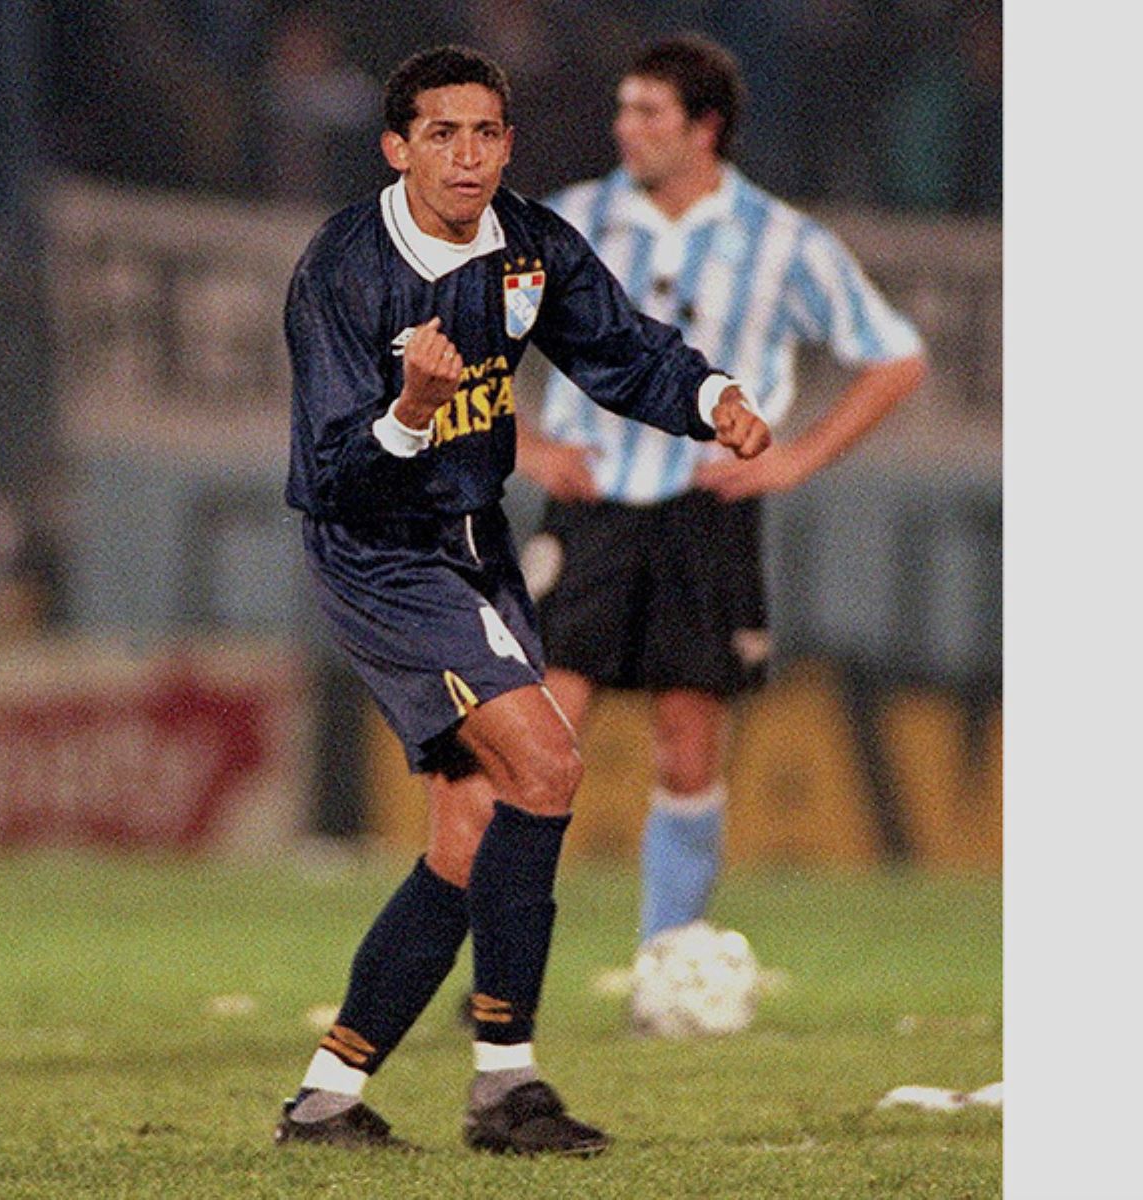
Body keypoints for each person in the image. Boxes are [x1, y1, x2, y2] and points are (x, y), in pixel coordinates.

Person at [277, 44, 771, 1153]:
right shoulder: (344, 267)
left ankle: (327, 1097)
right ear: (396, 147)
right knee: (547, 764)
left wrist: (712, 394)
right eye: (441, 133)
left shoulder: (529, 248)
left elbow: (621, 352)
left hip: (474, 544)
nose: (467, 154)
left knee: (470, 831)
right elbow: (328, 469)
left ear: (508, 142)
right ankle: (506, 1082)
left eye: (486, 132)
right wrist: (408, 410)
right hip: (380, 549)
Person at [516, 35, 927, 994]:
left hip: (705, 510)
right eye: (623, 109)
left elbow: (894, 357)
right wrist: (531, 448)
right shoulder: (570, 222)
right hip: (592, 506)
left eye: (648, 112)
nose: (626, 128)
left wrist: (801, 457)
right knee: (537, 735)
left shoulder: (784, 241)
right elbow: (464, 338)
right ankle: (500, 959)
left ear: (704, 128)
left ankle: (670, 960)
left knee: (689, 737)